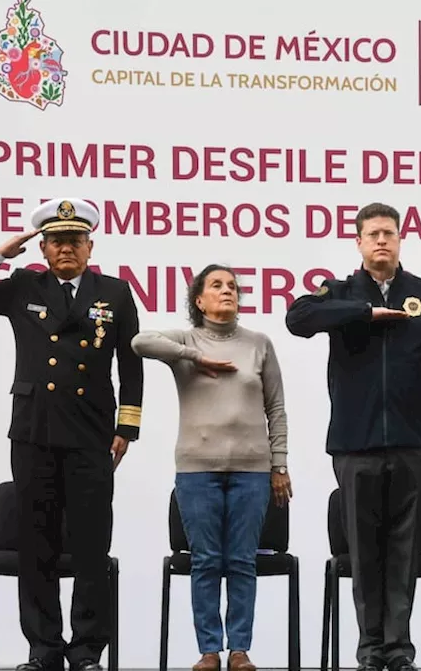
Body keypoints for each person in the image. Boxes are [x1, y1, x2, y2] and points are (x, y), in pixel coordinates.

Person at [0, 198, 144, 671]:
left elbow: (131, 363)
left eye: (75, 241)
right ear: (45, 247)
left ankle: (88, 650)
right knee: (38, 542)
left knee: (93, 544)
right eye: (57, 241)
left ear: (90, 246)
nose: (67, 249)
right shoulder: (22, 285)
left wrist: (127, 427)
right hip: (34, 429)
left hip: (92, 432)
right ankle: (43, 648)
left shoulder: (113, 292)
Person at [284, 202, 421, 671]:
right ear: (359, 242)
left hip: (413, 442)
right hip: (355, 442)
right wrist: (365, 312)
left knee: (405, 548)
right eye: (373, 234)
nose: (382, 241)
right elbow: (297, 318)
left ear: (400, 239)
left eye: (389, 233)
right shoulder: (338, 292)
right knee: (364, 551)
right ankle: (370, 647)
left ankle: (399, 647)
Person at [131, 264, 292, 671]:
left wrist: (280, 464)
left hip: (252, 471)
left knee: (241, 560)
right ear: (198, 300)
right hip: (196, 470)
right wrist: (193, 356)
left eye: (233, 287)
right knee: (205, 560)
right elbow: (139, 342)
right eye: (216, 286)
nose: (227, 291)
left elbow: (276, 408)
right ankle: (208, 650)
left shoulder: (259, 344)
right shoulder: (185, 340)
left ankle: (239, 649)